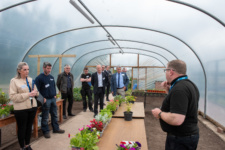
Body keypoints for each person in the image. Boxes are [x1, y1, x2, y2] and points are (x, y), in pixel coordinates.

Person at [151, 60, 200, 150]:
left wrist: (159, 113)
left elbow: (177, 119)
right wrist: (168, 90)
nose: (165, 73)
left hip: (180, 139)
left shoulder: (179, 89)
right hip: (186, 136)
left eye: (165, 70)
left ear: (171, 72)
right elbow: (177, 103)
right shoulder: (189, 84)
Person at [9, 62, 38, 150]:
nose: (27, 71)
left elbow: (36, 91)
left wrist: (35, 93)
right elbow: (12, 97)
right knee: (22, 128)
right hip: (21, 109)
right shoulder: (14, 81)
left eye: (28, 69)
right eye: (24, 70)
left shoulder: (30, 80)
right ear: (19, 71)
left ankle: (27, 145)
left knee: (29, 127)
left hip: (32, 107)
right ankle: (22, 147)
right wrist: (28, 94)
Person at [35, 62, 65, 139]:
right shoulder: (39, 78)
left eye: (50, 68)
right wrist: (42, 98)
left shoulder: (51, 77)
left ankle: (56, 128)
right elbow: (36, 90)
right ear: (43, 68)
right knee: (45, 116)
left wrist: (55, 94)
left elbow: (53, 87)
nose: (49, 70)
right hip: (46, 100)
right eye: (47, 68)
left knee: (54, 114)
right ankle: (46, 131)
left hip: (52, 99)